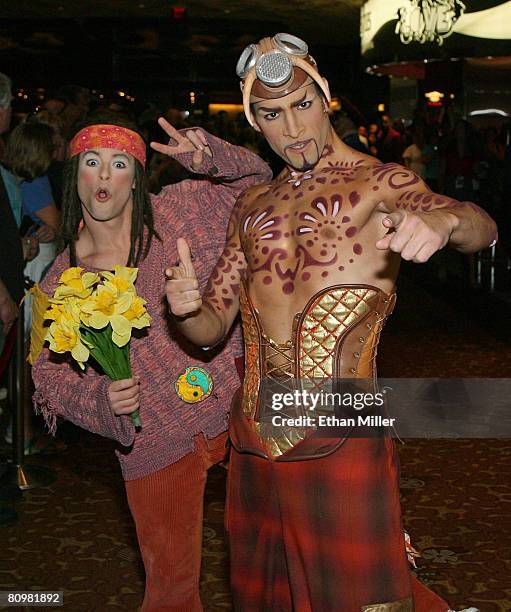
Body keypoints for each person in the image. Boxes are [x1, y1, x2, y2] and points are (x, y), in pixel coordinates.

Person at [165, 33, 497, 612]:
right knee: (262, 598)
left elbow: (480, 225)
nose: (292, 129)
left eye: (302, 104)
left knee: (359, 599)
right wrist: (188, 309)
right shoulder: (252, 207)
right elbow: (212, 330)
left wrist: (442, 225)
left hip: (345, 422)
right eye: (271, 114)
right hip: (254, 433)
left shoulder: (380, 184)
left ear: (325, 97)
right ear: (254, 120)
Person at [32, 116, 271, 611]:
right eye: (92, 164)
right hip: (155, 440)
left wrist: (211, 158)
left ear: (136, 178)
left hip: (239, 402)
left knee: (304, 545)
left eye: (119, 164)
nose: (104, 176)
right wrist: (101, 401)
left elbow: (257, 184)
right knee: (169, 592)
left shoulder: (182, 208)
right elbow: (45, 375)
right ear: (74, 176)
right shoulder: (63, 280)